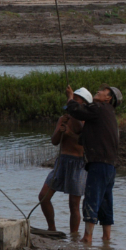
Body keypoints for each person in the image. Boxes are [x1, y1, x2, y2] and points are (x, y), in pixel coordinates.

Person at [65, 85, 122, 244]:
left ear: (108, 98)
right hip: (109, 166)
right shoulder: (108, 113)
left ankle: (87, 237)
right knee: (105, 202)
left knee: (91, 199)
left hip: (99, 164)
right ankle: (106, 239)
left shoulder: (99, 107)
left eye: (103, 90)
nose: (99, 90)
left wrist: (70, 97)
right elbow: (86, 137)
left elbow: (76, 110)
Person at [38, 87, 90, 236]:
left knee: (74, 204)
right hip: (62, 161)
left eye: (74, 103)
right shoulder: (63, 119)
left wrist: (70, 133)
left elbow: (85, 142)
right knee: (43, 197)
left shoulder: (86, 121)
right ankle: (52, 228)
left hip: (78, 163)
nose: (69, 109)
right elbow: (54, 141)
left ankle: (74, 236)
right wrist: (60, 131)